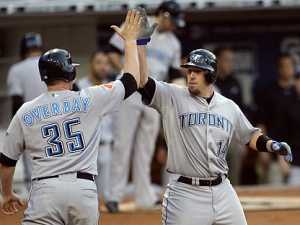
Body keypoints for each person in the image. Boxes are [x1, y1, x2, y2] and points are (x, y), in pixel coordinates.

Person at [0, 9, 143, 224]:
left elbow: (6, 162)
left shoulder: (25, 111)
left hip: (44, 191)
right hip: (82, 189)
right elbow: (131, 81)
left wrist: (7, 194)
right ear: (71, 74)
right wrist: (130, 42)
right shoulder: (91, 97)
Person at [137, 48, 293, 224]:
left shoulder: (228, 106)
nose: (191, 76)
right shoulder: (173, 95)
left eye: (197, 71)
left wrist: (273, 145)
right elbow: (142, 82)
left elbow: (249, 136)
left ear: (211, 74)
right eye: (189, 71)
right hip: (186, 193)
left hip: (222, 190)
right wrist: (140, 46)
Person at [105, 0, 186, 212]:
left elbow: (176, 75)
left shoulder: (173, 44)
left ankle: (144, 196)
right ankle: (114, 196)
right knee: (123, 144)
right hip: (129, 91)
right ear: (162, 13)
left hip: (152, 93)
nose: (175, 26)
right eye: (173, 20)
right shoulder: (137, 23)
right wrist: (127, 72)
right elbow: (111, 51)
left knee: (146, 148)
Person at [6, 32, 47, 192]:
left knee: (33, 173)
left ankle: (38, 209)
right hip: (57, 122)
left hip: (31, 124)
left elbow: (16, 101)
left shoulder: (17, 69)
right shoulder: (51, 64)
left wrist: (16, 130)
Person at [253, 53, 296, 185]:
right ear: (277, 68)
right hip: (273, 151)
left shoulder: (297, 92)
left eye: (289, 66)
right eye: (282, 66)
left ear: (294, 67)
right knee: (273, 189)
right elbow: (261, 122)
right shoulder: (267, 92)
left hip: (296, 153)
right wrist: (263, 150)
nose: (286, 69)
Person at [76, 50, 114, 196]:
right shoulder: (79, 87)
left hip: (106, 145)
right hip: (85, 148)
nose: (103, 67)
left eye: (106, 63)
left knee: (104, 193)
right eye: (99, 62)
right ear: (90, 65)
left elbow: (115, 118)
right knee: (84, 193)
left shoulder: (112, 88)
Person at [213, 45, 245, 186]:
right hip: (210, 132)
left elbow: (240, 113)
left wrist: (242, 140)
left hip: (230, 135)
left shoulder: (235, 83)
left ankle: (233, 196)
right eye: (227, 60)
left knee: (234, 151)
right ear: (217, 61)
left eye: (232, 60)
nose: (230, 64)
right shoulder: (209, 81)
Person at [277, 73, 300, 186]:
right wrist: (281, 157)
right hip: (295, 163)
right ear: (295, 83)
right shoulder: (287, 105)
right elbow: (281, 133)